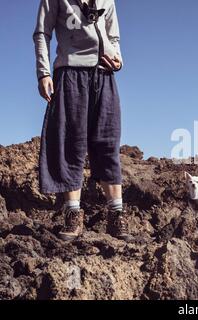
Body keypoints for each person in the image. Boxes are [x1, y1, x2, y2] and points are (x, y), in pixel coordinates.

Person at [33, 0, 132, 241]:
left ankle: (116, 215)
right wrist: (44, 72)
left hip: (104, 75)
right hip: (69, 73)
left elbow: (114, 37)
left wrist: (118, 59)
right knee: (70, 143)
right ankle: (73, 214)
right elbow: (42, 33)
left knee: (108, 141)